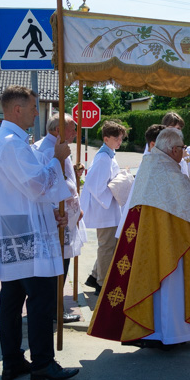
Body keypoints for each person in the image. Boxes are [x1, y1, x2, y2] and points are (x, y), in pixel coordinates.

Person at [0, 85, 79, 380]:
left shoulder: (8, 141)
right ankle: (42, 364)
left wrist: (51, 213)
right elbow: (35, 184)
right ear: (17, 109)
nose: (38, 112)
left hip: (17, 226)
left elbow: (24, 192)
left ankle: (12, 361)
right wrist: (58, 159)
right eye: (34, 106)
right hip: (26, 234)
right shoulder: (10, 143)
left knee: (12, 298)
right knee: (41, 298)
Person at [88, 128, 190, 349]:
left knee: (153, 289)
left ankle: (152, 333)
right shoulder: (170, 175)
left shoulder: (149, 165)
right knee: (170, 288)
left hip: (146, 246)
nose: (183, 153)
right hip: (170, 247)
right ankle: (172, 335)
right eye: (182, 149)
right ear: (174, 150)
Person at [33, 113, 85, 323]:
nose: (75, 132)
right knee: (57, 265)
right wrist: (58, 210)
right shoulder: (48, 150)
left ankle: (53, 307)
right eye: (72, 128)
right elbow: (46, 184)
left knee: (62, 263)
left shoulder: (59, 147)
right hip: (56, 218)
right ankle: (54, 310)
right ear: (57, 130)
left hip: (65, 216)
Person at [79, 120, 127, 295]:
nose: (119, 141)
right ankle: (102, 283)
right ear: (106, 138)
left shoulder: (108, 154)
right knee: (107, 246)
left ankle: (95, 276)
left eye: (121, 138)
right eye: (116, 138)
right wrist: (116, 190)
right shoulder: (103, 158)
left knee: (109, 244)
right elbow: (96, 186)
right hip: (104, 208)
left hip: (108, 208)